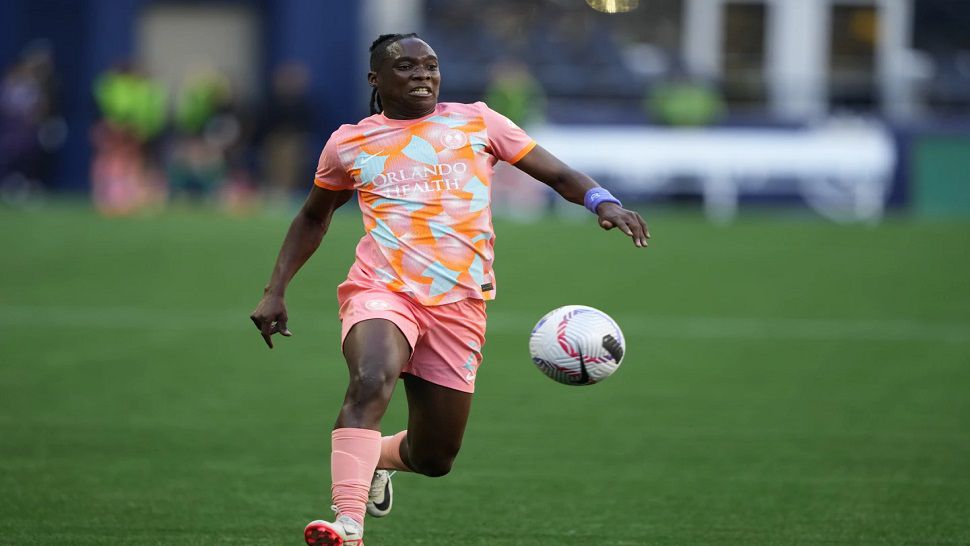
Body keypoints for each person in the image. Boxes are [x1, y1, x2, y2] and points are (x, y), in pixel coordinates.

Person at [249, 33, 649, 546]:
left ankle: (381, 461)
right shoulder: (348, 143)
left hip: (460, 303)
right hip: (382, 289)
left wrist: (604, 203)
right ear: (376, 79)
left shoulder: (479, 122)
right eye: (406, 66)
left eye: (431, 66)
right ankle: (347, 523)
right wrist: (275, 290)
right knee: (370, 379)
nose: (422, 74)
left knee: (435, 457)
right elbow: (313, 217)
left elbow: (557, 173)